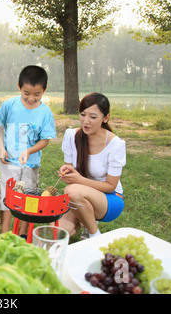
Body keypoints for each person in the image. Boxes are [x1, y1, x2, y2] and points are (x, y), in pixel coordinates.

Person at [0, 65, 57, 234]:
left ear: (44, 90)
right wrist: (1, 149)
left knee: (28, 199)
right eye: (26, 93)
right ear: (19, 87)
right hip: (8, 161)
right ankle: (5, 233)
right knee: (7, 197)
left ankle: (22, 233)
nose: (31, 98)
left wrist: (28, 151)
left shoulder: (45, 112)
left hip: (31, 164)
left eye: (37, 94)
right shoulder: (9, 105)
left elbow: (45, 140)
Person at [58, 92, 126, 238]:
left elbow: (110, 186)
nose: (86, 121)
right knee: (54, 234)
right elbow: (71, 172)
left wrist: (78, 180)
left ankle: (94, 235)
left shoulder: (115, 144)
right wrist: (67, 171)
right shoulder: (71, 136)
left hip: (109, 199)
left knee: (72, 191)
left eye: (93, 117)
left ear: (105, 118)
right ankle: (86, 219)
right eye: (83, 114)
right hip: (79, 196)